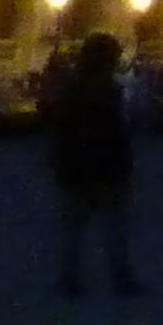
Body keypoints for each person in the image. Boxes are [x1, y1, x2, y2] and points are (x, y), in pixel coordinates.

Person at [40, 33, 144, 298]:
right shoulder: (107, 90)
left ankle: (71, 277)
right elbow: (115, 131)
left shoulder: (73, 88)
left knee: (75, 228)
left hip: (77, 168)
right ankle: (118, 275)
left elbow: (61, 129)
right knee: (112, 227)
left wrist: (59, 160)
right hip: (104, 167)